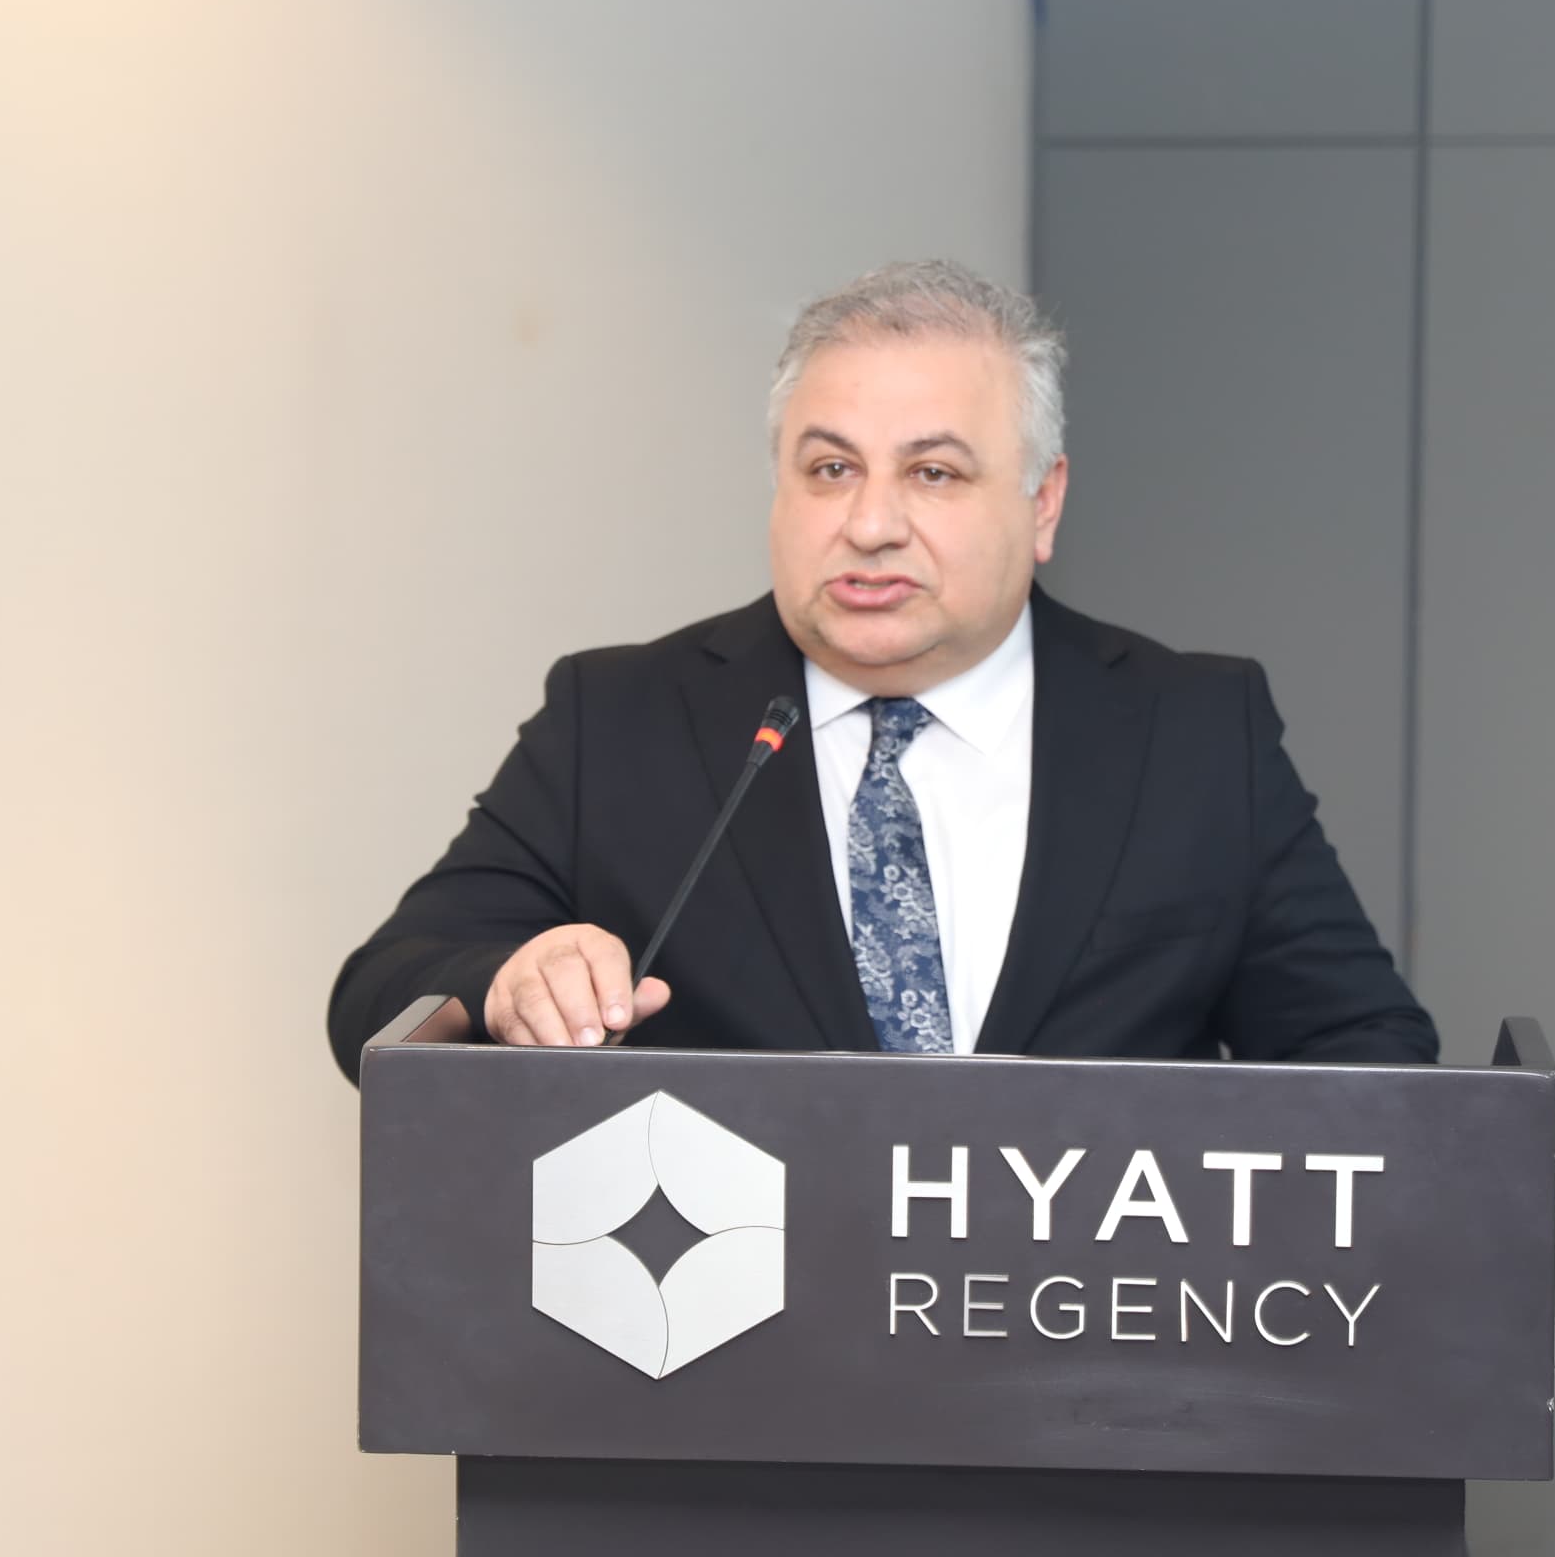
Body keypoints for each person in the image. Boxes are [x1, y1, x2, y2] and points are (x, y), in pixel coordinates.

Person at [324, 261, 1434, 1070]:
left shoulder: (1192, 733)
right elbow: (381, 986)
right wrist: (502, 981)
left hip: (1085, 1364)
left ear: (1041, 503)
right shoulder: (621, 717)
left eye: (935, 474)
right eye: (829, 468)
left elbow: (1368, 1057)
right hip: (725, 1361)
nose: (869, 523)